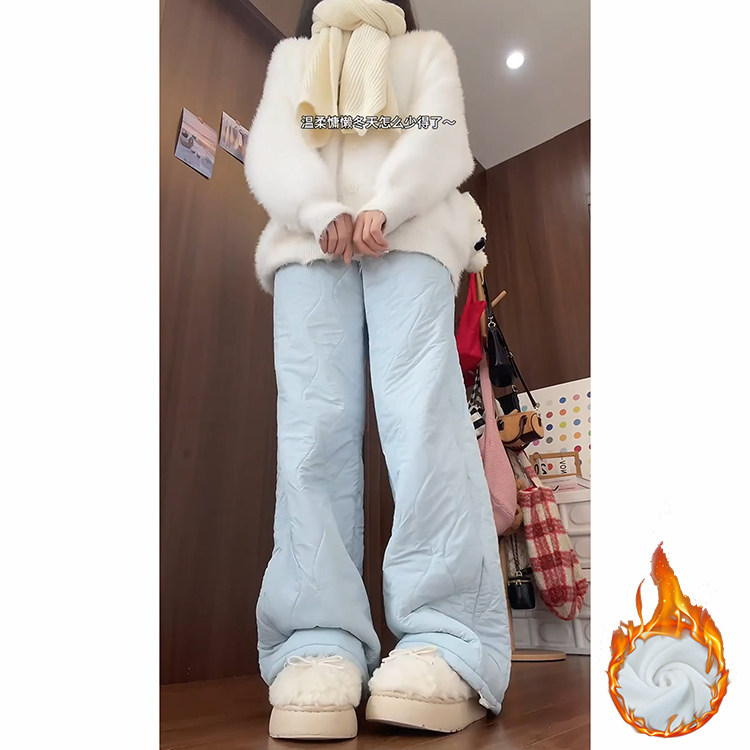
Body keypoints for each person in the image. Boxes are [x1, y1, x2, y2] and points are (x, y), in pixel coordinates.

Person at [244, 0, 511, 740]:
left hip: (412, 229)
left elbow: (439, 131)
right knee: (312, 432)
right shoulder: (294, 60)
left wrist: (388, 204)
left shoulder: (422, 51)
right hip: (308, 240)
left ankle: (450, 636)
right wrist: (316, 206)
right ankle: (315, 638)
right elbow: (273, 143)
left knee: (423, 418)